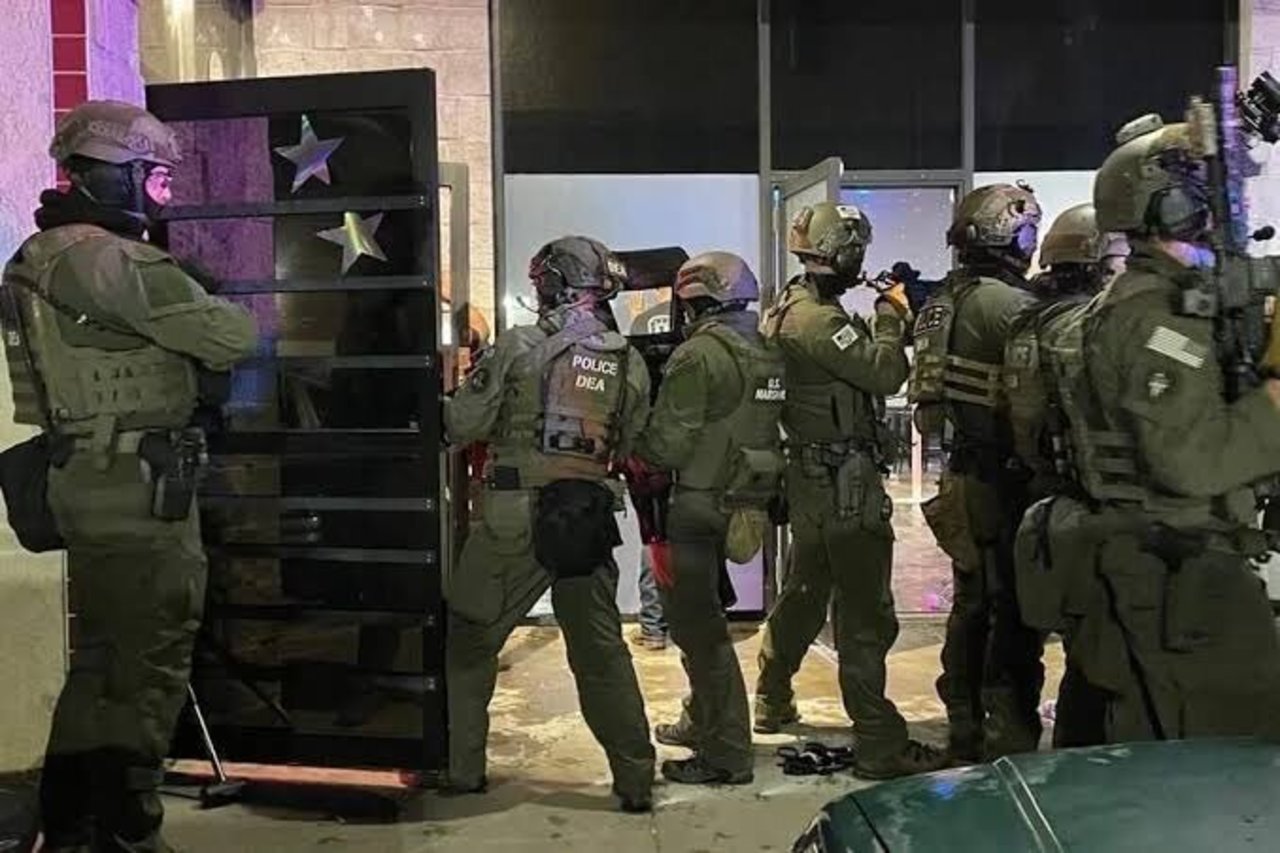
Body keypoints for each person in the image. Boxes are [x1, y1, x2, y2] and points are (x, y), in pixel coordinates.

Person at [0, 101, 258, 852]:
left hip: (89, 472)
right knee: (150, 663)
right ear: (115, 174)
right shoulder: (106, 258)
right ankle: (127, 830)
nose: (161, 195)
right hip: (134, 485)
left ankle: (72, 825)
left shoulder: (45, 251)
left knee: (103, 661)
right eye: (155, 179)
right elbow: (231, 335)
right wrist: (200, 293)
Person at [1019, 114, 1280, 743]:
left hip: (1154, 567)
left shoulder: (1148, 302)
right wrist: (1274, 397)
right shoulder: (1159, 318)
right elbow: (1191, 461)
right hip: (1175, 580)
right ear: (1174, 207)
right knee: (1216, 758)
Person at [442, 236, 656, 812]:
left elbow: (463, 423)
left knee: (469, 640)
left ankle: (462, 771)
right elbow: (629, 443)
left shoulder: (519, 344)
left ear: (553, 283)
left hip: (513, 519)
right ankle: (635, 779)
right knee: (601, 653)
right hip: (586, 519)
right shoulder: (628, 360)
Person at [754, 202, 947, 779]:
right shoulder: (816, 320)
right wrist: (891, 318)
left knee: (805, 593)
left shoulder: (793, 307)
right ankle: (879, 741)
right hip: (843, 484)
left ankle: (772, 695)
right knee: (865, 611)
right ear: (842, 254)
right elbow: (885, 373)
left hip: (815, 480)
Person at [630, 251, 783, 785]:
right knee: (705, 620)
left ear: (697, 299)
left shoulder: (698, 355)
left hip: (696, 505)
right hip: (744, 500)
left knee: (701, 633)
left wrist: (633, 440)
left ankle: (727, 753)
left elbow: (668, 445)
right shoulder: (766, 350)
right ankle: (700, 721)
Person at [908, 183, 1045, 762]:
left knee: (970, 606)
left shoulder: (941, 302)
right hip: (1005, 481)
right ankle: (1005, 738)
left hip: (961, 474)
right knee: (1011, 612)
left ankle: (963, 728)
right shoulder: (1011, 306)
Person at [1000, 203, 1127, 749]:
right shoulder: (1093, 327)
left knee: (1045, 634)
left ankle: (1016, 738)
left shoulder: (1028, 322)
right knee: (1101, 651)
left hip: (1041, 497)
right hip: (1096, 506)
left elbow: (1023, 419)